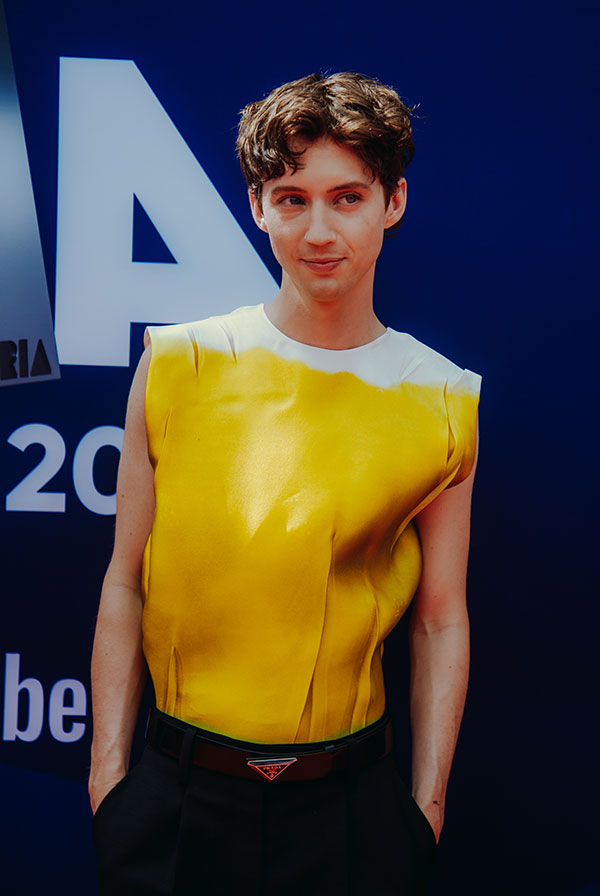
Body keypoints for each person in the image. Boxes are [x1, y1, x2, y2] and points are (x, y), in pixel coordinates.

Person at [89, 71, 481, 896]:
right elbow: (125, 579)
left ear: (393, 203)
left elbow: (442, 619)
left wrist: (426, 809)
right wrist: (108, 782)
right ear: (258, 206)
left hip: (353, 816)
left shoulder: (444, 397)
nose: (319, 229)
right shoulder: (178, 363)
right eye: (291, 197)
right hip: (173, 801)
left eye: (347, 198)